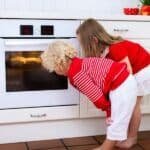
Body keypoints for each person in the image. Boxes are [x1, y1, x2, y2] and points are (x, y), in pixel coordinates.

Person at [41, 41, 137, 150]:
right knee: (119, 117)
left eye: (54, 69)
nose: (55, 72)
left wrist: (108, 109)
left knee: (116, 120)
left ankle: (106, 147)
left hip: (121, 85)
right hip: (125, 80)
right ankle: (116, 141)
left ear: (60, 65)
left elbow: (97, 97)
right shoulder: (80, 63)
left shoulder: (76, 74)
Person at [76, 18, 150, 149]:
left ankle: (132, 138)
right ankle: (124, 136)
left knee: (133, 105)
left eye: (83, 44)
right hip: (136, 71)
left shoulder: (115, 48)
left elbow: (127, 74)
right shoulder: (103, 52)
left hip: (143, 70)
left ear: (94, 41)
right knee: (128, 105)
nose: (83, 48)